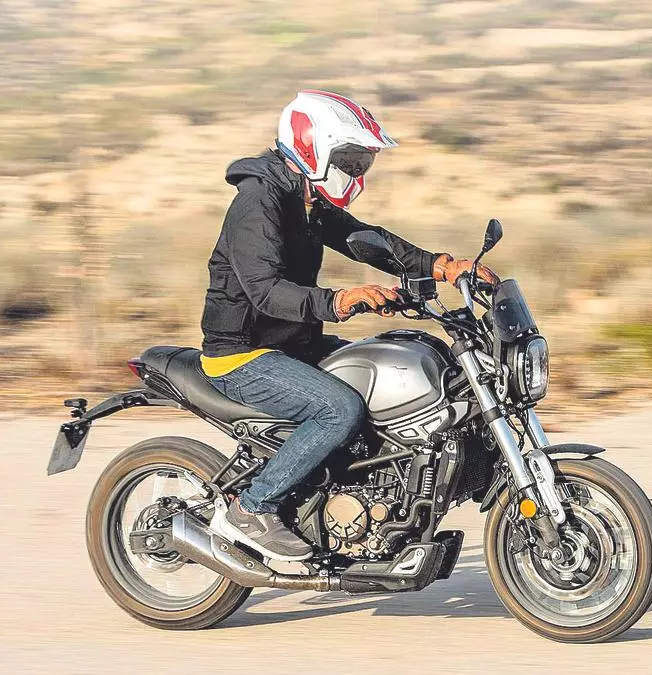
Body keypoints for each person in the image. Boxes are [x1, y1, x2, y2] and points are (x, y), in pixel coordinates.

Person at [201, 90, 497, 561]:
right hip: (243, 354)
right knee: (339, 410)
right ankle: (252, 509)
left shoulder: (306, 197)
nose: (357, 169)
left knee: (402, 360)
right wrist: (340, 300)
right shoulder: (258, 201)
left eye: (361, 160)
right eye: (350, 158)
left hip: (294, 343)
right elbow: (265, 291)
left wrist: (440, 266)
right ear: (312, 146)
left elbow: (363, 239)